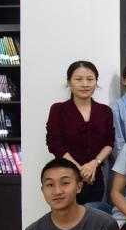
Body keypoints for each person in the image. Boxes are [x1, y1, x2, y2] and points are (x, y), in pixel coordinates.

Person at [46, 61, 115, 205]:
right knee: (67, 214)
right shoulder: (58, 109)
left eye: (90, 79)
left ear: (96, 82)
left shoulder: (105, 111)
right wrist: (78, 169)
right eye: (78, 79)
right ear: (69, 82)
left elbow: (109, 142)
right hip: (66, 177)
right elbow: (54, 143)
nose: (85, 84)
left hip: (96, 176)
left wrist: (94, 163)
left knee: (94, 213)